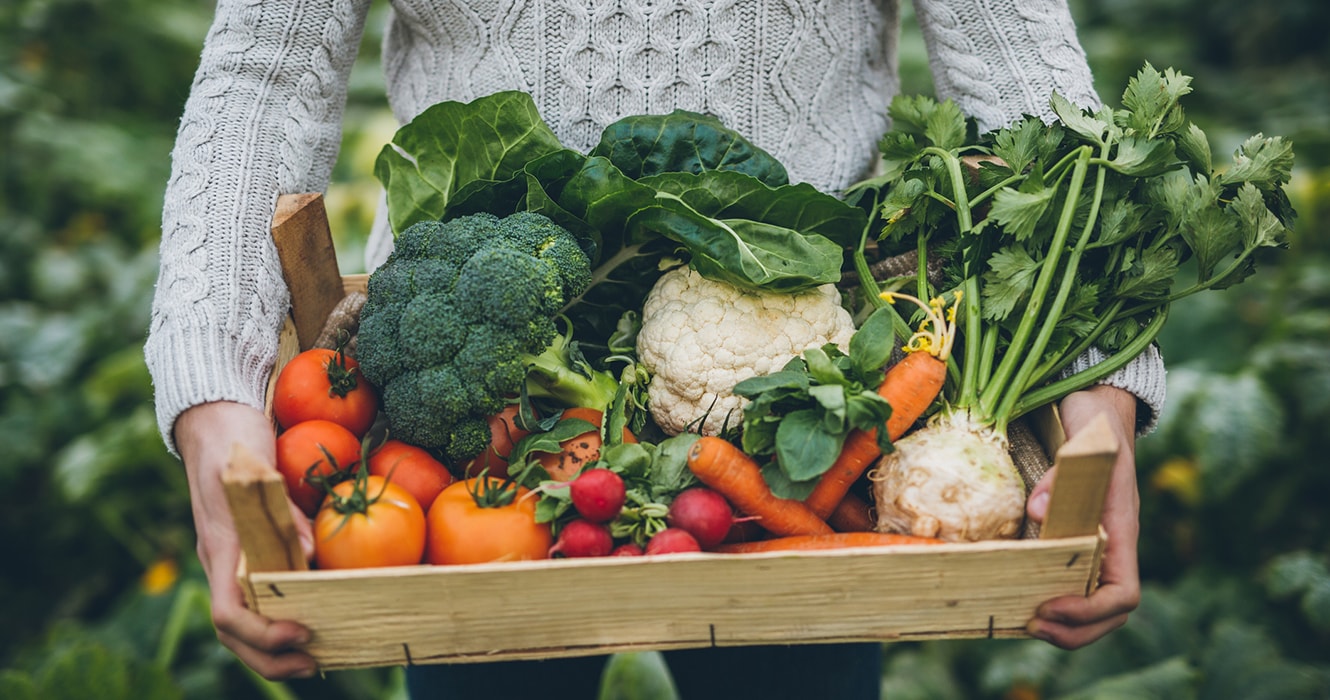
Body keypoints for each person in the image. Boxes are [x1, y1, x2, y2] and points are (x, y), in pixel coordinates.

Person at [147, 0, 1167, 694]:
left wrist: (1101, 386)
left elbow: (1018, 58)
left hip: (813, 413)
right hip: (476, 427)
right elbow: (265, 74)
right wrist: (212, 399)